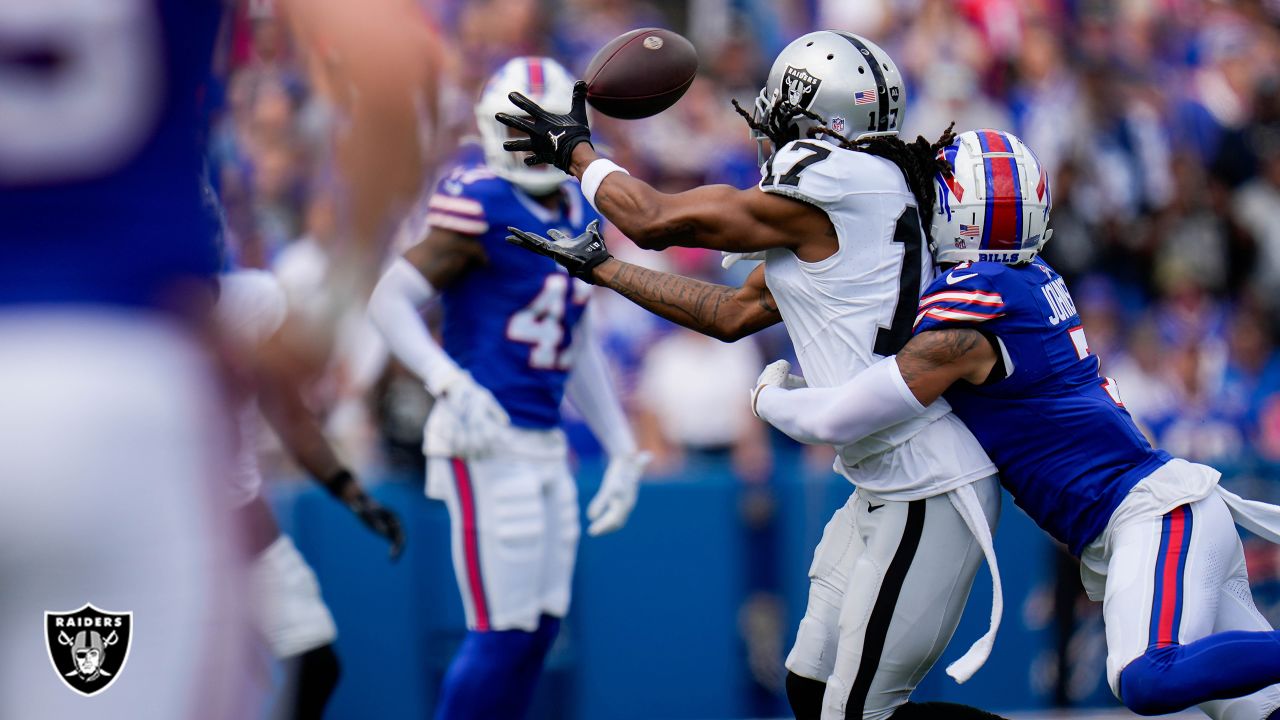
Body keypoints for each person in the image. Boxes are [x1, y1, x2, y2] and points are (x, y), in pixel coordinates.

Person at [502, 31, 1008, 720]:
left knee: (856, 713)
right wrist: (605, 271)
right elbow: (734, 312)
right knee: (807, 687)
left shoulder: (834, 184)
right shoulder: (858, 202)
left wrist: (578, 155)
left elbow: (652, 221)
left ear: (816, 115)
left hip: (926, 484)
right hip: (882, 482)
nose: (766, 120)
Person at [753, 128, 1280, 720]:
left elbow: (840, 415)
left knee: (1145, 679)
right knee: (1259, 712)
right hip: (1159, 512)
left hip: (1150, 517)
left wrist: (768, 393)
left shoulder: (975, 307)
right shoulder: (1028, 280)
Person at [367, 56, 649, 720]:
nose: (529, 142)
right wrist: (447, 380)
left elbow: (574, 336)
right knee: (501, 633)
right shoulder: (479, 198)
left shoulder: (579, 203)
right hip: (484, 441)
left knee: (539, 634)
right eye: (520, 128)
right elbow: (389, 300)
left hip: (545, 440)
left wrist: (622, 444)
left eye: (540, 128)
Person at [215, 270, 405, 720]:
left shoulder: (250, 300)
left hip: (248, 530)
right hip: (166, 533)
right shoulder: (126, 307)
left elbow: (291, 417)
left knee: (315, 662)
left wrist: (350, 490)